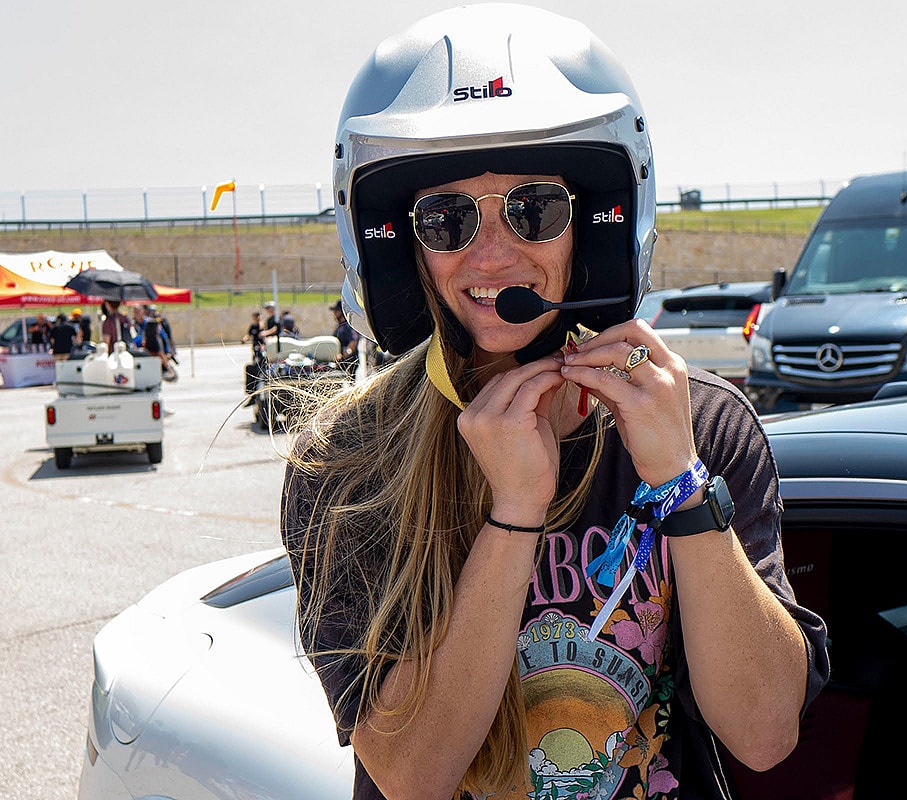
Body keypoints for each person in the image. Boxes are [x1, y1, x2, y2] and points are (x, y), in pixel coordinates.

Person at [281, 7, 829, 800]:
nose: (493, 252)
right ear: (406, 247)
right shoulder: (349, 459)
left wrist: (678, 480)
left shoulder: (700, 424)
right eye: (448, 218)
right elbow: (410, 774)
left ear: (590, 229)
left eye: (535, 208)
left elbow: (765, 731)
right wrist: (514, 512)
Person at [330, 299, 359, 370]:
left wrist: (343, 356)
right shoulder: (340, 326)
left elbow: (353, 343)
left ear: (340, 311)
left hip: (348, 365)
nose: (334, 313)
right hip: (340, 365)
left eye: (335, 311)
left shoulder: (348, 326)